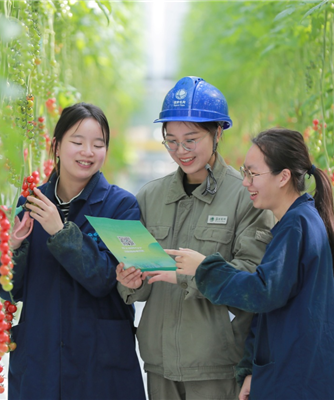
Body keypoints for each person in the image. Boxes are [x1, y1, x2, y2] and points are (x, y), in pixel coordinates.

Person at [116, 76, 275, 400]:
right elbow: (144, 284)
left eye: (191, 139)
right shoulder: (150, 196)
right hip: (158, 365)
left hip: (217, 366)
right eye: (171, 141)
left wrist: (192, 275)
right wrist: (130, 282)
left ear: (217, 132)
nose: (181, 151)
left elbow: (252, 280)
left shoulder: (246, 196)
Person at [174, 128, 334, 400]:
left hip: (300, 381)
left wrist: (204, 269)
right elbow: (271, 309)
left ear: (283, 177)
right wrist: (251, 370)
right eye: (245, 173)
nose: (246, 183)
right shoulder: (298, 221)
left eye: (253, 174)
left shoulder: (297, 225)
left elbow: (262, 292)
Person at [0, 102, 146, 400]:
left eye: (98, 144)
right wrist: (12, 246)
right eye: (77, 142)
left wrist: (60, 231)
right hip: (41, 360)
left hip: (99, 362)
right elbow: (8, 290)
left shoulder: (122, 206)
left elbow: (104, 279)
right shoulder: (30, 203)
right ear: (56, 145)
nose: (88, 152)